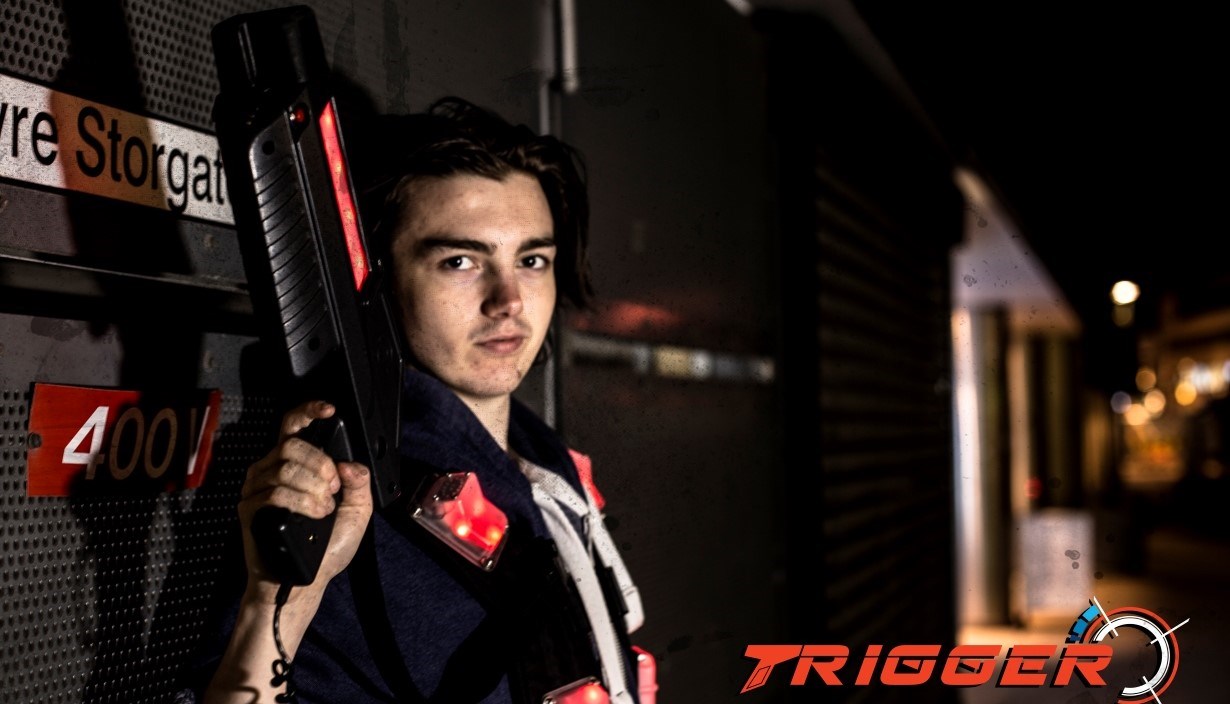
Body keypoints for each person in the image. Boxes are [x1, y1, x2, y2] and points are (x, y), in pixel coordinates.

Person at [192, 97, 645, 703]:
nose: (509, 300)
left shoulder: (546, 468)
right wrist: (281, 604)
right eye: (460, 261)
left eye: (532, 260)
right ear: (376, 281)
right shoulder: (343, 501)